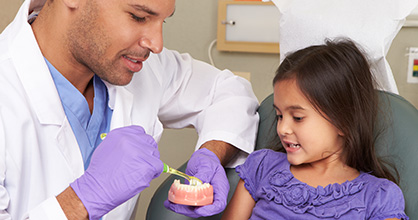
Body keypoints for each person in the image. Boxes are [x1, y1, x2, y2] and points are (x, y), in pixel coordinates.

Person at [0, 0, 259, 219]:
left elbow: (228, 92)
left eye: (163, 21)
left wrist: (211, 154)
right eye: (138, 17)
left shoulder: (140, 68)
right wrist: (81, 200)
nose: (156, 44)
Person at [221, 39, 408, 219]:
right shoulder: (262, 167)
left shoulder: (377, 197)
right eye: (279, 116)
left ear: (342, 121)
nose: (283, 128)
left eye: (298, 118)